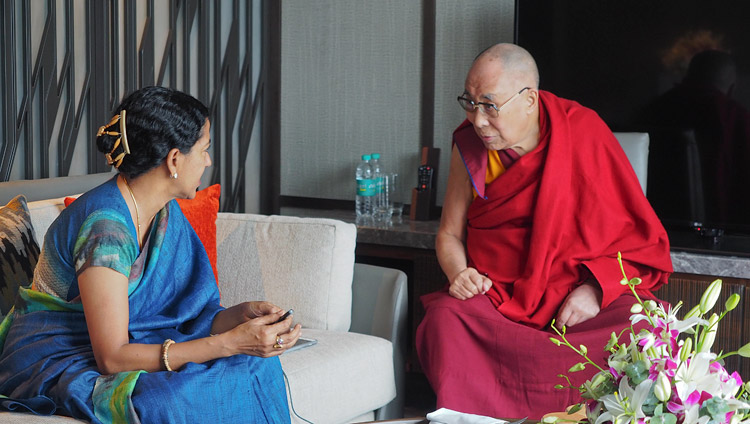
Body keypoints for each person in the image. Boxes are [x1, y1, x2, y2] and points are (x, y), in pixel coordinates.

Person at [0, 86, 301, 423]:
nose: (208, 161)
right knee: (170, 398)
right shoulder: (106, 230)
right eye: (204, 150)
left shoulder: (163, 214)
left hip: (127, 345)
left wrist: (240, 317)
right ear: (174, 159)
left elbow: (176, 317)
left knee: (255, 363)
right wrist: (229, 343)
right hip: (57, 356)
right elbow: (112, 360)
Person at [416, 44, 673, 419]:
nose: (478, 120)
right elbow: (449, 235)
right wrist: (460, 274)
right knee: (444, 319)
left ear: (530, 99)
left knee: (647, 324)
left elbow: (638, 242)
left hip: (573, 300)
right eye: (469, 103)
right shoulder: (470, 148)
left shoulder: (582, 131)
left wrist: (596, 290)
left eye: (490, 105)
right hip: (498, 298)